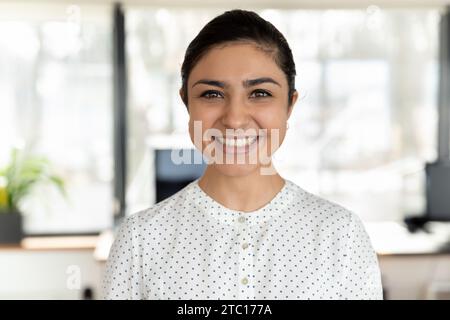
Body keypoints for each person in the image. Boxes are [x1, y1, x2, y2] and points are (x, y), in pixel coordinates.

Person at [102, 9, 383, 300]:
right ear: (186, 104)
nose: (235, 119)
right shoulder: (140, 240)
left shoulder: (341, 235)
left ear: (290, 105)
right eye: (212, 94)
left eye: (260, 93)